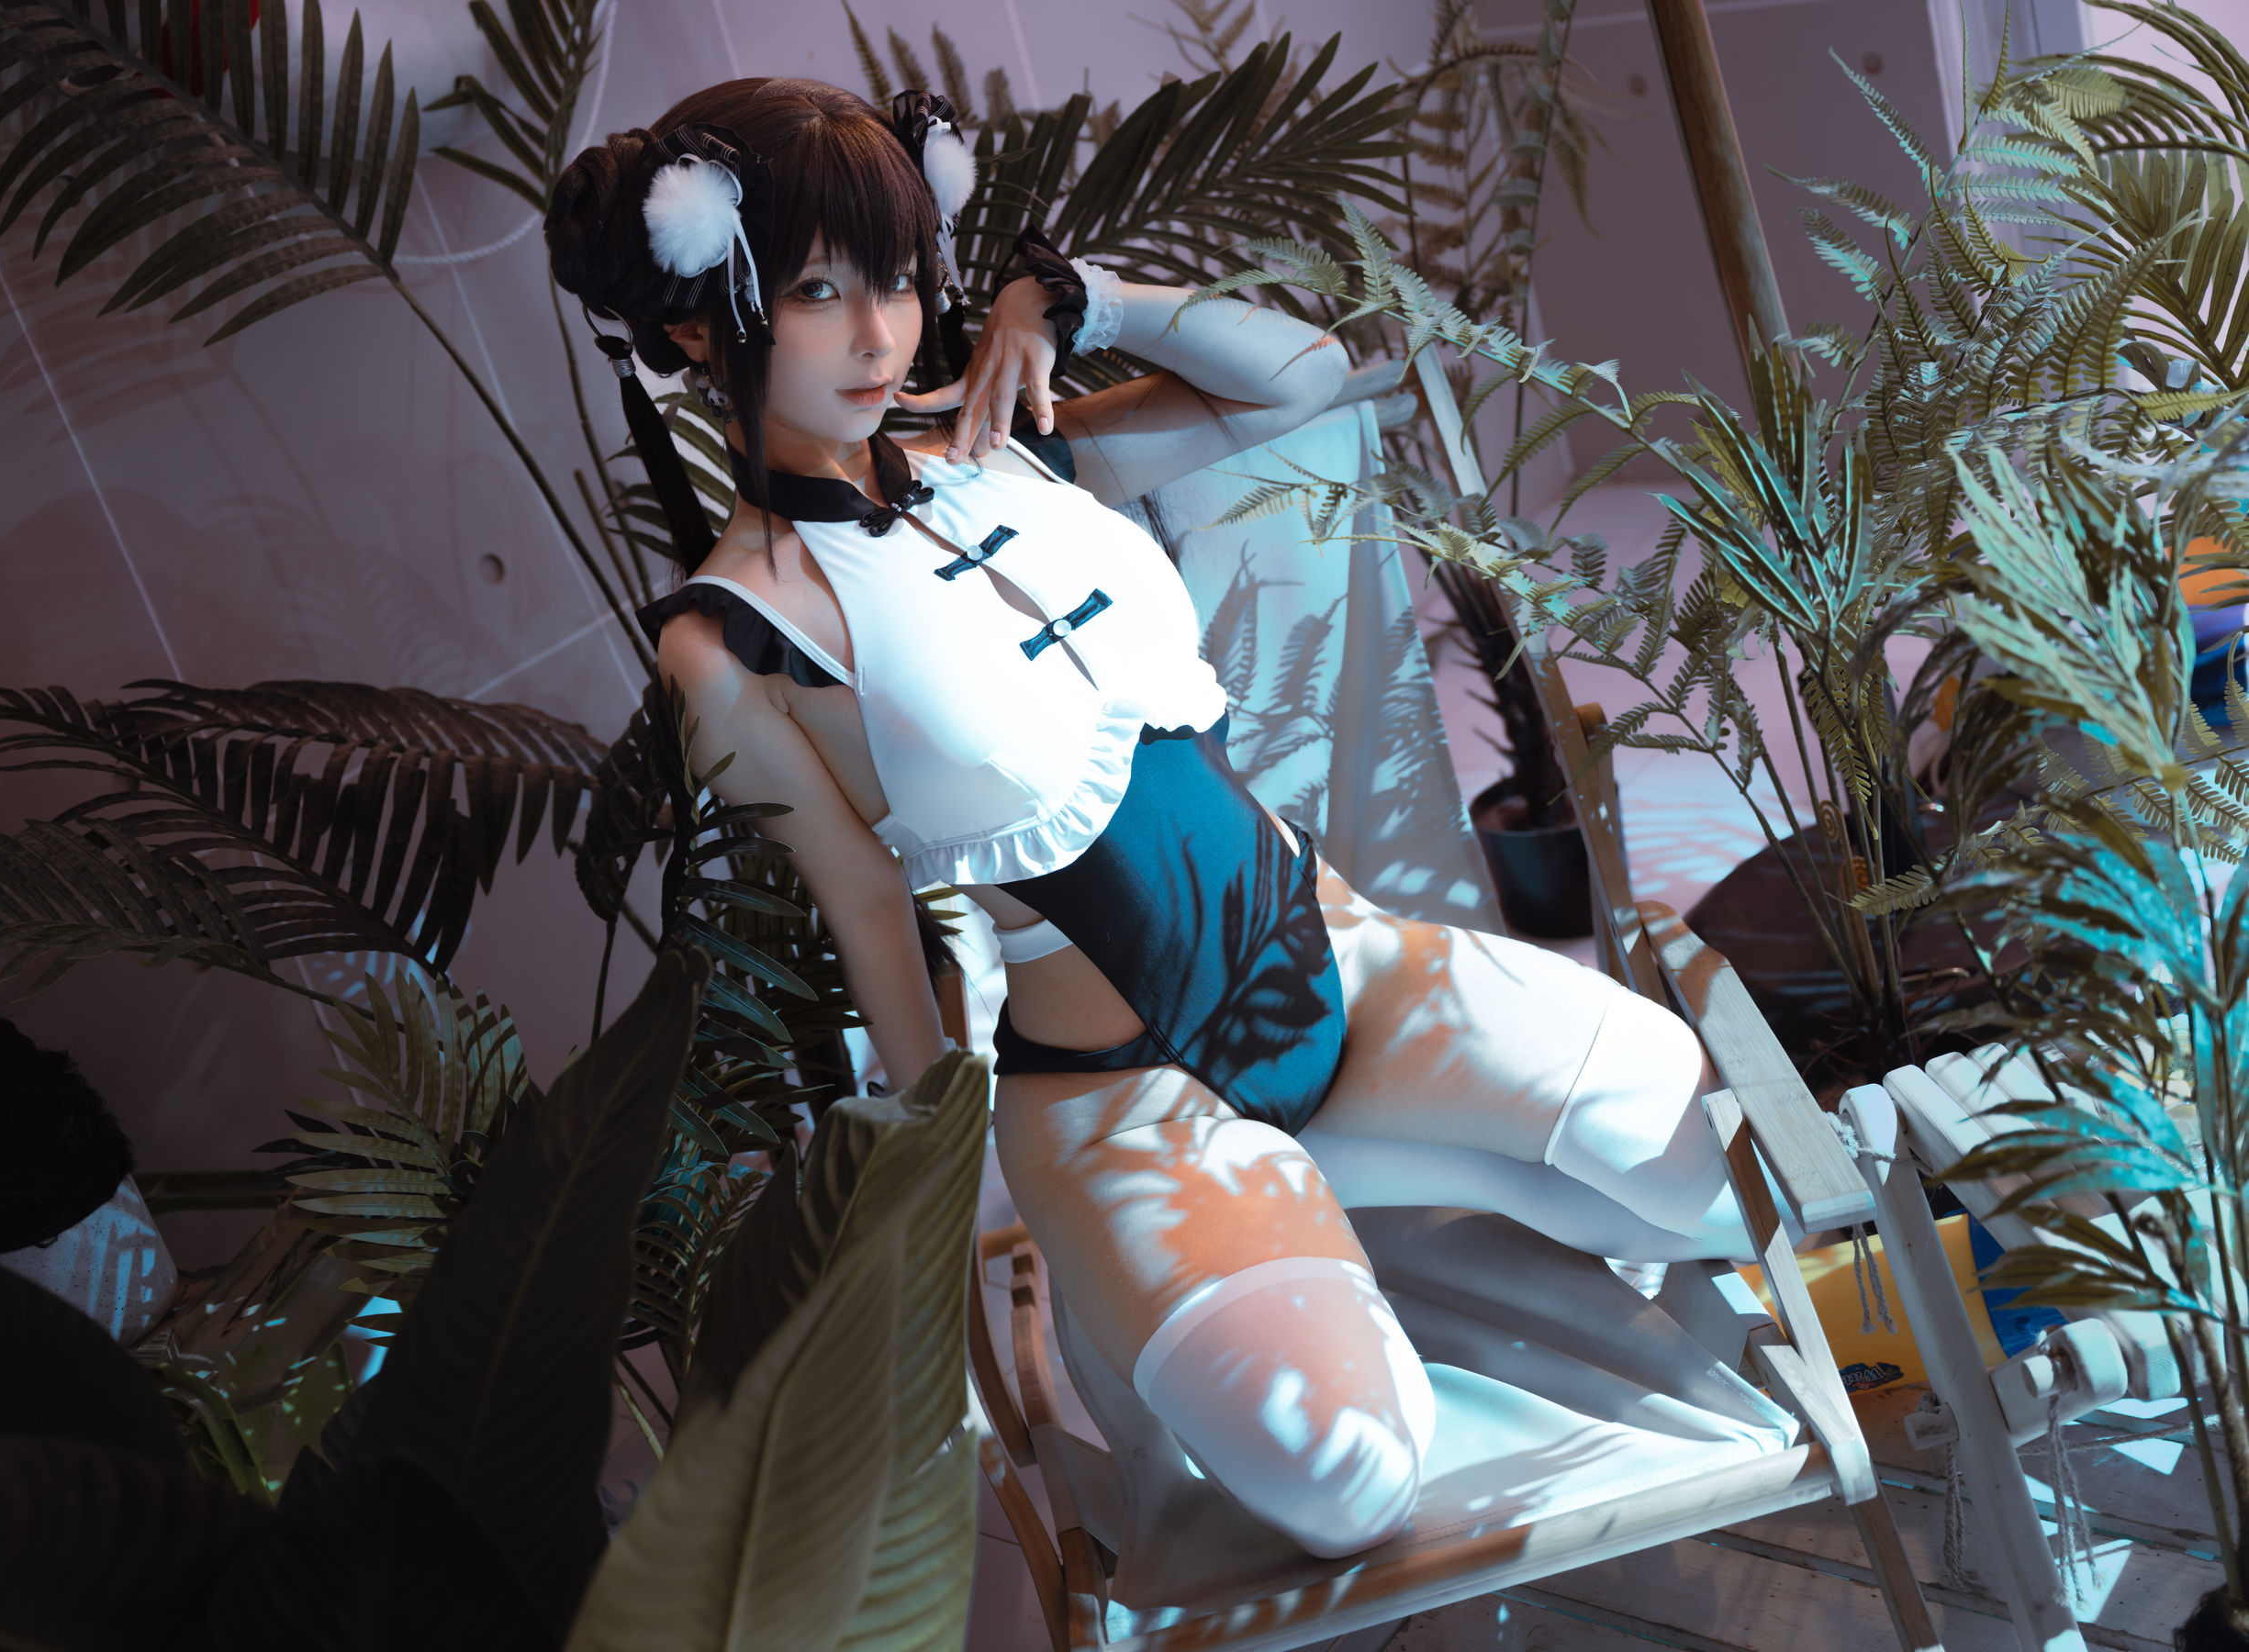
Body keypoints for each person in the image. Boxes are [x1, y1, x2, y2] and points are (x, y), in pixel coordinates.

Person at [544, 78, 1867, 1559]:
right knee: (1339, 1478)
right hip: (1122, 1103)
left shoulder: (1016, 444)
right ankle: (1306, 1226)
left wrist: (1077, 300)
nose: (878, 334)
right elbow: (868, 916)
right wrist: (939, 1202)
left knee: (1727, 1174)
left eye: (901, 279)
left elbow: (1306, 379)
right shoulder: (728, 637)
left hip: (1339, 968)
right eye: (815, 292)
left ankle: (1377, 1186)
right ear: (695, 324)